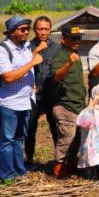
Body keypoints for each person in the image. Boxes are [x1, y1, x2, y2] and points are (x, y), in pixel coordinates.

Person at [0, 15, 43, 182]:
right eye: (22, 29)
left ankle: (20, 170)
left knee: (19, 138)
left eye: (27, 28)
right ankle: (7, 175)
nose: (27, 32)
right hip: (7, 102)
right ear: (11, 32)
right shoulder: (1, 50)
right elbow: (8, 77)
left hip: (24, 100)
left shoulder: (25, 47)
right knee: (7, 139)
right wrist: (32, 63)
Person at [49, 24, 87, 178]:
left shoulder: (74, 53)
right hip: (66, 106)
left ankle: (71, 164)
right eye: (73, 38)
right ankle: (58, 168)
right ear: (63, 39)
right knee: (66, 139)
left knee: (77, 139)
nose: (77, 40)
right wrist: (68, 64)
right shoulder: (61, 56)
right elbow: (56, 77)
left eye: (78, 37)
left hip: (77, 105)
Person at [26, 15, 60, 168]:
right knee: (30, 127)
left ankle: (59, 159)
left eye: (46, 29)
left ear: (50, 29)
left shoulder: (56, 48)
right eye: (40, 29)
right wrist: (37, 50)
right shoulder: (27, 47)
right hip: (32, 95)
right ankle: (30, 159)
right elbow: (22, 66)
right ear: (35, 30)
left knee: (55, 126)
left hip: (51, 94)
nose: (43, 32)